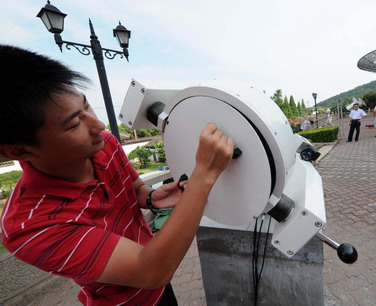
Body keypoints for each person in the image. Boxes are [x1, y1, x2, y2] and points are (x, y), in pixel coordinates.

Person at [0, 45, 234, 305]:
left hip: (161, 287)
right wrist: (205, 173)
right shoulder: (30, 227)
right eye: (75, 123)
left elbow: (134, 190)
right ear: (19, 149)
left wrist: (152, 198)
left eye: (87, 107)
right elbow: (150, 271)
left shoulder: (104, 145)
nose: (98, 125)